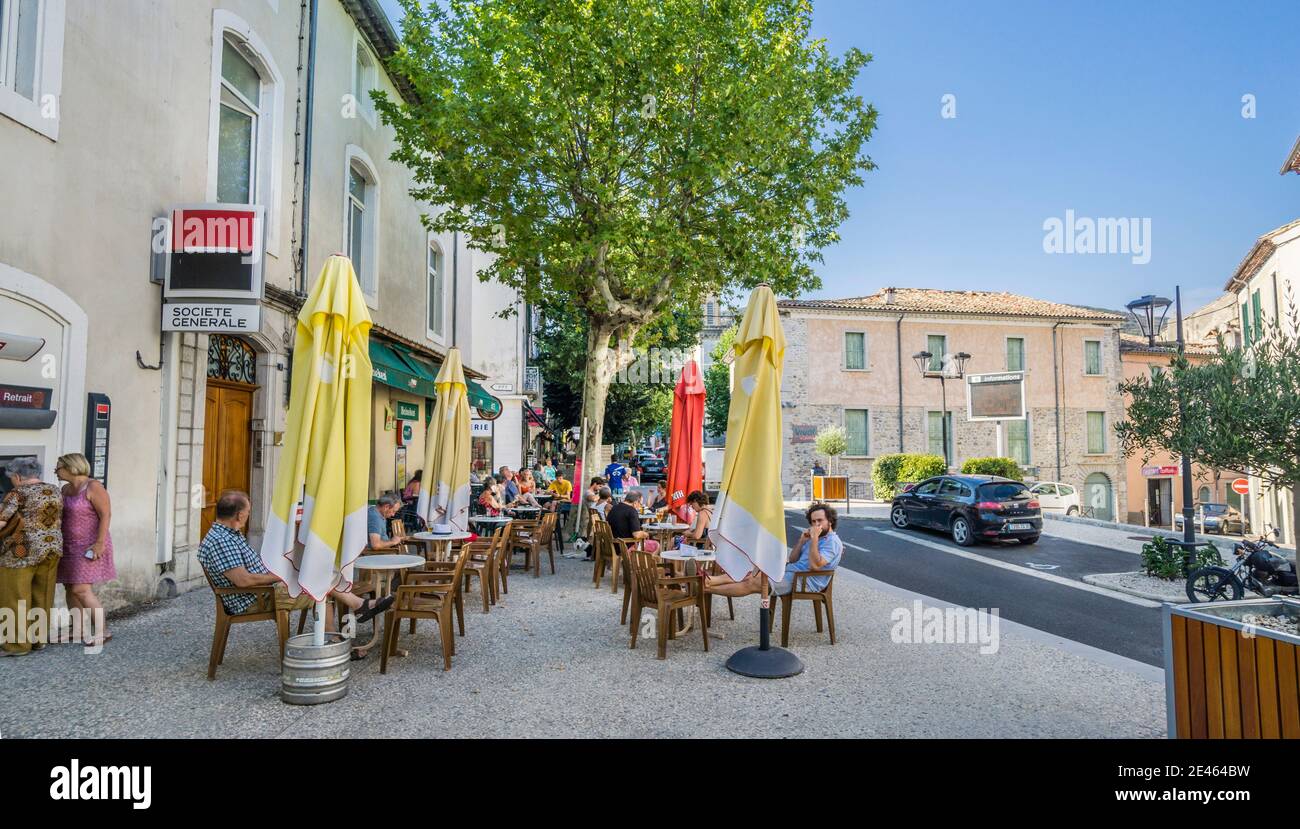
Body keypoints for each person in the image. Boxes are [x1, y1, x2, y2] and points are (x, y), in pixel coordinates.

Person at [198, 490, 391, 634]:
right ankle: (345, 623)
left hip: (265, 590)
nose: (248, 515)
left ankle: (351, 616)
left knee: (314, 573)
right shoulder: (221, 541)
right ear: (239, 515)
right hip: (255, 599)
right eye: (248, 511)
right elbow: (243, 581)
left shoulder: (227, 534)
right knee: (317, 585)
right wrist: (278, 576)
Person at [704, 502, 843, 597]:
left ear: (830, 521)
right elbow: (793, 559)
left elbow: (815, 565)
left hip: (804, 581)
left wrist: (814, 539)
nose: (816, 524)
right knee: (751, 572)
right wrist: (801, 541)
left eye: (820, 520)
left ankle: (706, 589)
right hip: (790, 573)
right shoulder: (815, 537)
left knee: (753, 583)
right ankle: (710, 581)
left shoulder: (832, 542)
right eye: (813, 521)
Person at [0, 458, 63, 656]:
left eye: (11, 478)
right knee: (43, 593)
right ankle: (38, 639)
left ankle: (16, 645)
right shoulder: (54, 489)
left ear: (17, 477)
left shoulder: (17, 493)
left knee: (15, 596)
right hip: (52, 547)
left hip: (21, 551)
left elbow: (3, 521)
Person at [55, 453, 116, 644]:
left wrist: (99, 543)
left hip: (89, 545)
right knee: (70, 587)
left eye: (59, 467)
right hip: (68, 545)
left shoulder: (93, 487)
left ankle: (102, 631)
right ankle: (78, 630)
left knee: (81, 589)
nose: (56, 471)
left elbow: (106, 515)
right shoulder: (65, 489)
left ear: (71, 467)